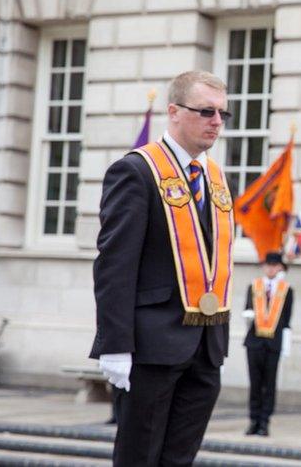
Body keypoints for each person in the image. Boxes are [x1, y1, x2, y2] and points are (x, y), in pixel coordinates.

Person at [90, 70, 235, 466]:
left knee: (179, 459)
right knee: (139, 458)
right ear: (173, 111)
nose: (217, 122)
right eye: (206, 111)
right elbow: (114, 265)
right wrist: (115, 344)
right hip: (150, 347)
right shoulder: (136, 171)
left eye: (223, 113)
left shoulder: (216, 178)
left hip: (205, 345)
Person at [241, 252, 293, 437]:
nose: (271, 268)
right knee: (255, 383)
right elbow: (247, 308)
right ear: (264, 267)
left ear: (279, 268)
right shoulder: (254, 286)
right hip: (254, 342)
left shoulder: (286, 290)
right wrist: (247, 316)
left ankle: (265, 421)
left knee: (269, 384)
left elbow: (287, 321)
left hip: (273, 344)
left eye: (274, 265)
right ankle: (253, 420)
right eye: (268, 265)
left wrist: (286, 346)